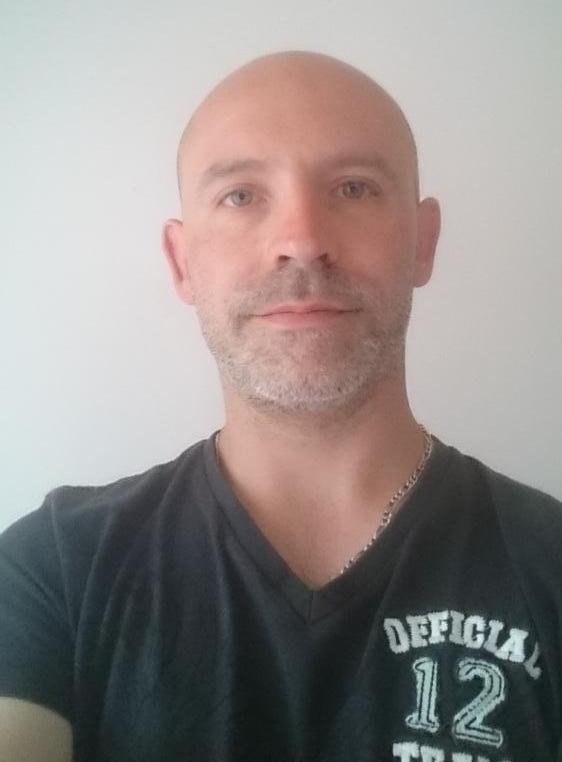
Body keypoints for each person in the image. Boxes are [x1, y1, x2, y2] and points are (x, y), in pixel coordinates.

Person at [0, 50, 560, 762]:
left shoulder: (550, 566)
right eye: (241, 196)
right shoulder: (54, 570)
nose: (302, 241)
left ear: (424, 243)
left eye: (353, 188)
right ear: (182, 262)